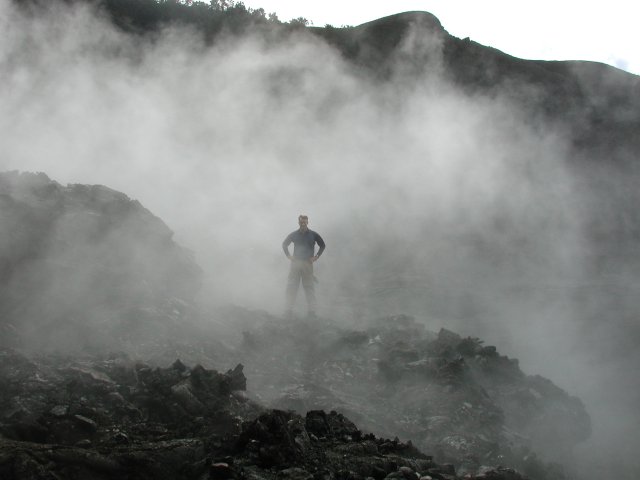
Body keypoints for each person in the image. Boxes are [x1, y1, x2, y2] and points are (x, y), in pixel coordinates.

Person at [282, 215, 325, 318]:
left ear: (307, 222)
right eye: (301, 222)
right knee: (292, 286)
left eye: (305, 222)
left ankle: (312, 311)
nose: (303, 224)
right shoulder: (294, 235)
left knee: (309, 287)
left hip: (307, 264)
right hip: (296, 263)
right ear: (298, 222)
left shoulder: (313, 235)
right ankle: (288, 310)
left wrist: (316, 257)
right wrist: (289, 256)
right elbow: (284, 244)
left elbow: (322, 245)